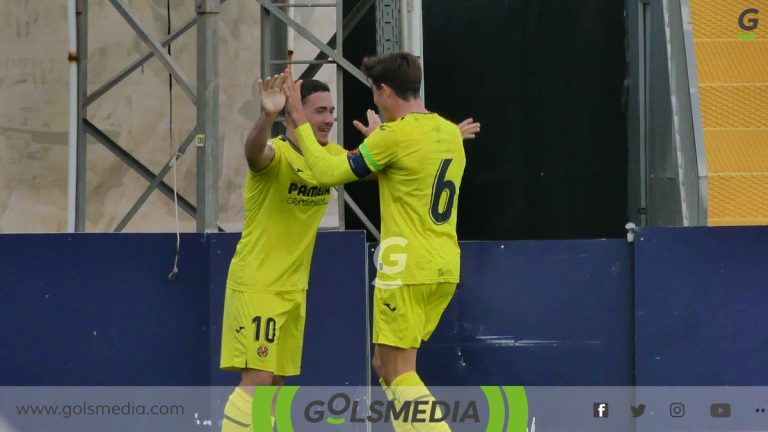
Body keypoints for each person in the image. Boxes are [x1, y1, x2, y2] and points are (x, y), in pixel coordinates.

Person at [220, 71, 478, 432]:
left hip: (293, 288)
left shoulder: (330, 156)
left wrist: (399, 144)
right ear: (297, 112)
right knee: (258, 380)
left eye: (332, 112)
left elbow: (389, 169)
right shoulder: (276, 154)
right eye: (319, 111)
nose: (328, 119)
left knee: (275, 385)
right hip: (258, 284)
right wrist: (267, 116)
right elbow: (252, 154)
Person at [283, 52, 469, 432]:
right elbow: (410, 171)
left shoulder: (393, 136)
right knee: (387, 367)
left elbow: (326, 172)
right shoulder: (449, 132)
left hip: (405, 267)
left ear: (384, 90)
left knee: (399, 373)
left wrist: (298, 120)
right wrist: (377, 148)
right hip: (444, 265)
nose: (375, 103)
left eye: (375, 94)